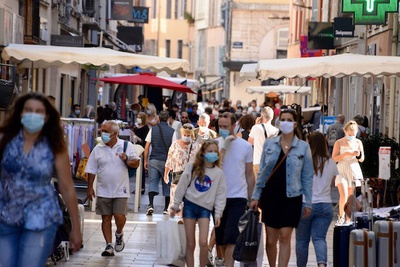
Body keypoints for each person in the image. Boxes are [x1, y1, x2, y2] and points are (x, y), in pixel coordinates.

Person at [0, 93, 82, 266]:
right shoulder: (5, 140)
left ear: (46, 117)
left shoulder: (55, 146)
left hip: (41, 219)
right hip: (6, 216)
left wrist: (76, 227)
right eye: (28, 110)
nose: (33, 115)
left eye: (38, 111)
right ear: (20, 113)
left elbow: (67, 187)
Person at [249, 108, 313, 267]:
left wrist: (308, 201)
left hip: (292, 196)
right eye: (282, 120)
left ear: (295, 123)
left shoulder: (303, 147)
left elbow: (307, 176)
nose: (285, 123)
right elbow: (263, 172)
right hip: (271, 195)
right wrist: (256, 196)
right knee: (271, 240)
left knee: (285, 237)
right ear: (279, 122)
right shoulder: (270, 144)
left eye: (289, 120)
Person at [85, 120, 140, 256]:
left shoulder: (126, 146)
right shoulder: (98, 148)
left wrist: (126, 159)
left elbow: (136, 163)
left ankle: (119, 233)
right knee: (106, 218)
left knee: (119, 216)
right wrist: (90, 188)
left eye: (106, 131)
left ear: (115, 133)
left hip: (121, 189)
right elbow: (91, 169)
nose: (102, 134)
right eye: (102, 131)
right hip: (103, 189)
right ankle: (109, 245)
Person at [170, 140, 227, 267]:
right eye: (209, 151)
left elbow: (220, 195)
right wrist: (175, 205)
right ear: (203, 153)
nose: (212, 154)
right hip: (190, 205)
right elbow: (182, 185)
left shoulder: (219, 173)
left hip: (205, 209)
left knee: (203, 242)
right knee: (190, 243)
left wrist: (218, 214)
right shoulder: (193, 167)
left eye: (215, 152)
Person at [215, 112, 255, 267]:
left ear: (234, 126)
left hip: (238, 197)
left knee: (232, 236)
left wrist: (252, 197)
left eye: (226, 126)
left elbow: (249, 173)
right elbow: (211, 168)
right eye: (220, 126)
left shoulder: (245, 146)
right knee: (220, 239)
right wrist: (223, 148)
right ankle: (224, 260)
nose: (223, 129)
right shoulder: (214, 144)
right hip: (218, 198)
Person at [295, 132, 338, 267]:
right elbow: (332, 185)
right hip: (325, 205)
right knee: (319, 238)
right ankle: (321, 264)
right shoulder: (331, 162)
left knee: (302, 240)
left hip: (305, 204)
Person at [164, 123, 200, 222]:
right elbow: (169, 160)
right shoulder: (175, 145)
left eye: (188, 135)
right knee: (177, 196)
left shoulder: (196, 146)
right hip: (178, 176)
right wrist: (166, 174)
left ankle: (184, 216)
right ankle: (181, 216)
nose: (186, 137)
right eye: (185, 134)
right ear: (181, 133)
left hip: (191, 177)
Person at [332, 120, 365, 224]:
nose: (351, 136)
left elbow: (362, 159)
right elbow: (334, 158)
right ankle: (341, 216)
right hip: (342, 169)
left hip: (354, 170)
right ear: (345, 131)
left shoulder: (358, 142)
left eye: (354, 134)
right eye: (349, 134)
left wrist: (358, 154)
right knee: (344, 194)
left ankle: (348, 218)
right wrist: (346, 154)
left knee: (351, 197)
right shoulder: (339, 142)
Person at [144, 110, 175, 215]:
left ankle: (150, 205)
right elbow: (174, 148)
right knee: (167, 183)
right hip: (167, 161)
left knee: (152, 182)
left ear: (158, 119)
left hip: (154, 160)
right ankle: (166, 208)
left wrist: (145, 160)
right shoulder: (172, 131)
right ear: (168, 119)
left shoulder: (153, 130)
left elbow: (147, 146)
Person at [248, 106, 279, 177]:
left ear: (261, 116)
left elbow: (250, 142)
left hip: (258, 161)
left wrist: (256, 124)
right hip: (271, 162)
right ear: (272, 117)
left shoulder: (256, 128)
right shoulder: (276, 130)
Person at [131, 112, 150, 194]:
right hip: (135, 149)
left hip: (141, 150)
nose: (138, 118)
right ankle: (137, 187)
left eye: (140, 117)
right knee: (136, 170)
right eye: (137, 117)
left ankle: (141, 187)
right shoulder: (136, 128)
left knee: (141, 170)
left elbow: (145, 141)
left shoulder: (146, 128)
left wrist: (136, 137)